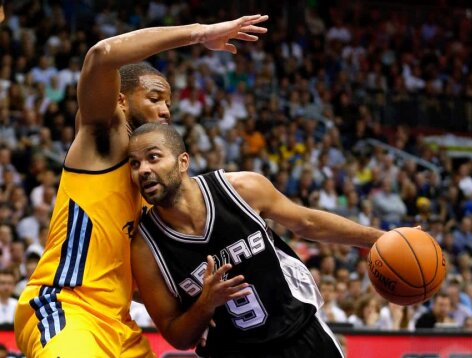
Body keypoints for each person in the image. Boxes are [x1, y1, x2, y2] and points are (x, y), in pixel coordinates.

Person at [14, 15, 269, 357]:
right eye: (154, 98)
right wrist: (201, 33)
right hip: (65, 305)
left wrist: (203, 305)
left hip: (118, 324)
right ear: (119, 100)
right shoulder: (101, 139)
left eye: (168, 103)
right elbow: (102, 54)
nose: (165, 111)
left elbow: (138, 284)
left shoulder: (152, 185)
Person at [128, 123, 384, 358]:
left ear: (183, 161)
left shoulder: (240, 189)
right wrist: (205, 304)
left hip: (300, 336)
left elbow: (308, 222)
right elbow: (177, 337)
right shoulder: (145, 247)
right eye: (135, 164)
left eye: (153, 158)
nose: (143, 170)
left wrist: (380, 239)